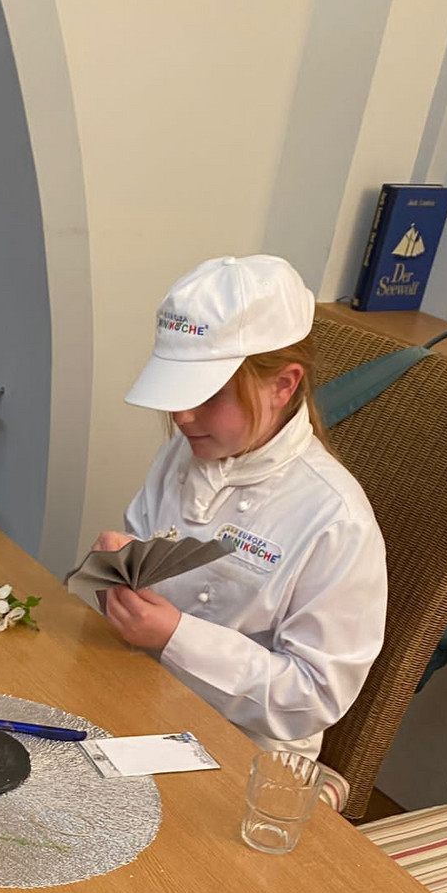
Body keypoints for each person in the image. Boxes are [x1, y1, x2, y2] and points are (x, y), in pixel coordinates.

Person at [92, 254, 387, 757]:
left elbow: (315, 697)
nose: (182, 416)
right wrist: (119, 575)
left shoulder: (336, 521)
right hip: (143, 691)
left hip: (244, 748)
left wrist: (177, 637)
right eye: (177, 392)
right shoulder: (182, 455)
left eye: (208, 396)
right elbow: (145, 557)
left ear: (283, 385)